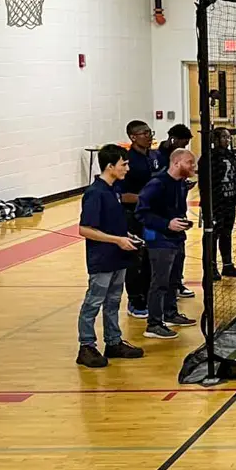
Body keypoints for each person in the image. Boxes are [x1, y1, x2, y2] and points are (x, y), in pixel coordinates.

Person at [76, 144, 145, 368]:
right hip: (103, 258)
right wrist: (117, 240)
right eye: (123, 164)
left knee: (113, 301)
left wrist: (127, 235)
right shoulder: (95, 193)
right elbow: (85, 229)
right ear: (110, 166)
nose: (127, 168)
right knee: (94, 301)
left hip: (119, 255)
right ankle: (86, 346)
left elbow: (111, 224)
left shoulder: (114, 189)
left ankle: (113, 342)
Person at [136, 148, 199, 340]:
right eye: (190, 162)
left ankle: (170, 313)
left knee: (173, 279)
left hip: (176, 238)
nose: (193, 166)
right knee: (159, 282)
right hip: (159, 240)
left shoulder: (180, 184)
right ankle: (154, 324)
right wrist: (166, 224)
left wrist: (181, 223)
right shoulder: (157, 184)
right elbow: (141, 212)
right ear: (176, 163)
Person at [120, 120, 162, 319]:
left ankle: (150, 296)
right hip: (134, 216)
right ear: (133, 137)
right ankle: (135, 301)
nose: (149, 136)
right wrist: (145, 197)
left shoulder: (155, 156)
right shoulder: (127, 162)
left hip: (154, 216)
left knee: (152, 258)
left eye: (149, 132)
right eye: (144, 133)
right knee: (137, 258)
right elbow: (121, 195)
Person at [156, 124, 196, 299]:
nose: (185, 147)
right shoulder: (158, 158)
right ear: (173, 139)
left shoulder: (177, 157)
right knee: (164, 255)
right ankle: (162, 290)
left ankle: (176, 284)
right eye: (184, 143)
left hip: (177, 210)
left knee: (180, 251)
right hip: (161, 215)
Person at [209, 127, 236, 279]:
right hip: (217, 204)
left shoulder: (230, 155)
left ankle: (228, 265)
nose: (227, 140)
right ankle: (211, 268)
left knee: (227, 234)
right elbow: (207, 183)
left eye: (228, 137)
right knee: (213, 235)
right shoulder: (210, 157)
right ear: (215, 139)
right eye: (224, 137)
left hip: (229, 202)